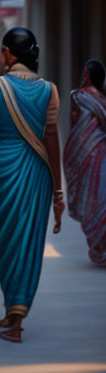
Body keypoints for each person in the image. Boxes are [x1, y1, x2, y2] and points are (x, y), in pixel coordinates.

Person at [0, 28, 64, 343]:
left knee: (5, 243)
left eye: (2, 51)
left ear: (10, 54)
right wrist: (58, 190)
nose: (0, 56)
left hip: (2, 172)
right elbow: (52, 139)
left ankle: (15, 319)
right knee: (28, 243)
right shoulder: (50, 91)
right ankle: (15, 311)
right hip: (38, 175)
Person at [64, 59, 106, 266]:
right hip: (97, 152)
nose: (83, 75)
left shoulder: (80, 96)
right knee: (99, 199)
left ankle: (99, 248)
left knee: (95, 200)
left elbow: (74, 122)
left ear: (89, 74)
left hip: (91, 154)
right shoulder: (96, 98)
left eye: (85, 72)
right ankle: (100, 249)